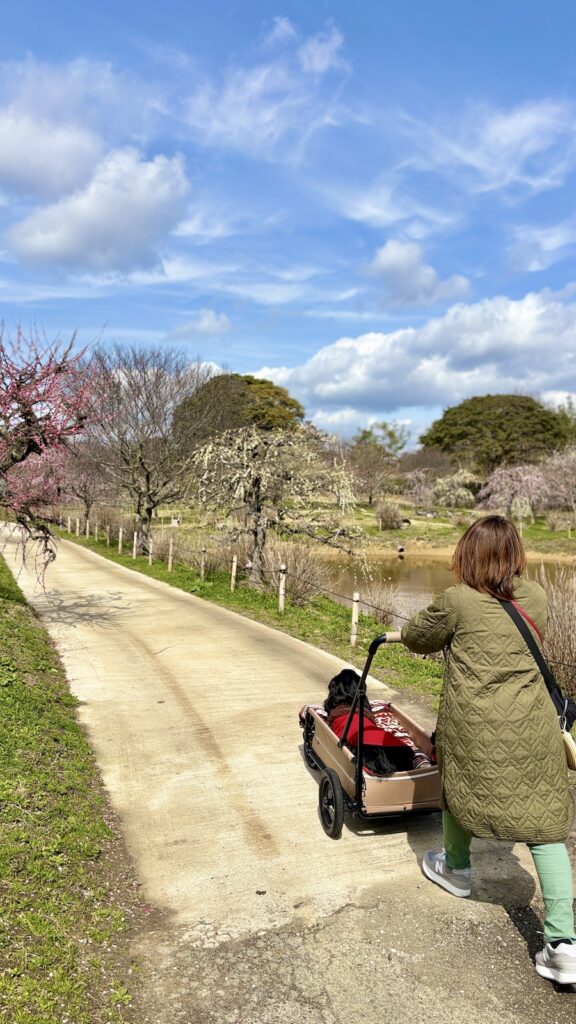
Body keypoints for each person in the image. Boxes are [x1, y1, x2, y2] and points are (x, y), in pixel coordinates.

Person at [401, 515, 576, 985]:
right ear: (515, 553)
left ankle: (456, 869)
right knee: (546, 828)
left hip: (475, 727)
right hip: (534, 725)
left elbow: (417, 637)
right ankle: (563, 944)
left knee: (460, 790)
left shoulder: (458, 600)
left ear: (467, 555)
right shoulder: (536, 596)